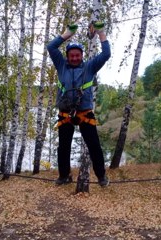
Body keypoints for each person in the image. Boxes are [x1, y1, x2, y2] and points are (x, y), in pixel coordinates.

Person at [47, 23, 111, 187]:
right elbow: (51, 47)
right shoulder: (61, 65)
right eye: (71, 55)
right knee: (63, 147)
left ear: (82, 56)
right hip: (65, 113)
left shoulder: (90, 66)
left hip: (85, 113)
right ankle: (64, 176)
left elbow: (106, 54)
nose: (74, 58)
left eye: (77, 55)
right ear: (67, 56)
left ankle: (101, 176)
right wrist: (67, 35)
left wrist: (101, 33)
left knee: (94, 146)